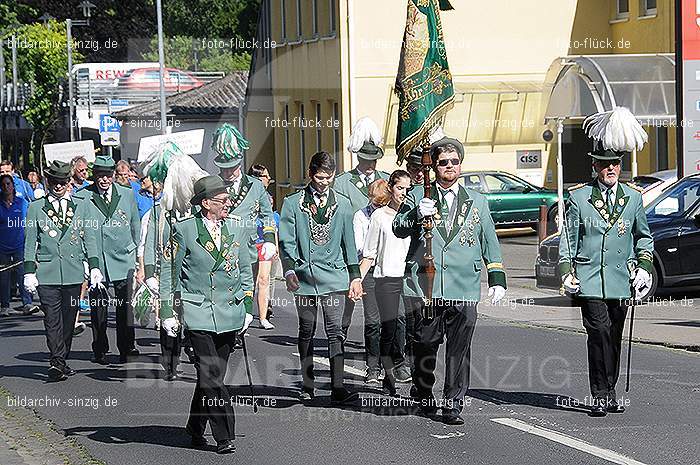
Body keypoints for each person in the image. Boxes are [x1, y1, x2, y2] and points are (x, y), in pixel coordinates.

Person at [393, 135, 507, 425]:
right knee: (425, 342)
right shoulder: (420, 195)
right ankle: (422, 390)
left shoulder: (477, 200)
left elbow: (488, 240)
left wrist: (496, 277)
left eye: (455, 162)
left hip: (464, 285)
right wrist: (416, 215)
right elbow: (398, 228)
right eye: (443, 162)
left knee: (460, 347)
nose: (450, 167)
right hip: (427, 286)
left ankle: (453, 402)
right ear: (435, 166)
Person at [559, 107, 654, 417]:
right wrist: (565, 270)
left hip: (620, 280)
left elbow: (644, 237)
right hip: (590, 278)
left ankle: (610, 389)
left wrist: (644, 267)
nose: (610, 168)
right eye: (604, 164)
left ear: (619, 165)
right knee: (598, 332)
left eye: (614, 163)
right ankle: (600, 393)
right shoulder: (580, 197)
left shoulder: (634, 198)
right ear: (595, 166)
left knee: (613, 335)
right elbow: (569, 238)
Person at [158, 175, 254, 454]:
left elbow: (246, 270)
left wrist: (248, 308)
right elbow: (169, 272)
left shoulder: (236, 227)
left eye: (228, 198)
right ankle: (224, 435)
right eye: (222, 200)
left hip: (229, 312)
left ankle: (194, 426)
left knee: (210, 378)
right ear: (205, 203)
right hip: (198, 311)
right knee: (212, 375)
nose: (228, 203)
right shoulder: (184, 230)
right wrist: (168, 312)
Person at [279, 151, 363, 404]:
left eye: (329, 177)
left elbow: (349, 242)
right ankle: (307, 383)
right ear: (310, 174)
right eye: (319, 177)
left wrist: (355, 277)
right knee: (306, 330)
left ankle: (337, 386)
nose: (324, 182)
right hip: (304, 277)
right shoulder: (292, 203)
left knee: (336, 331)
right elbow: (286, 241)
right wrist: (290, 269)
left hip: (335, 276)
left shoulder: (344, 204)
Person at [74, 155, 141, 365]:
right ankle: (100, 348)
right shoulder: (83, 195)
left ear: (113, 175)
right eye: (100, 175)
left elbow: (135, 224)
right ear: (94, 176)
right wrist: (85, 259)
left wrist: (136, 254)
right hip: (98, 260)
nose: (104, 180)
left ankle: (127, 347)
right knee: (99, 308)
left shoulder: (127, 194)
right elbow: (79, 228)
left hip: (123, 257)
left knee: (125, 306)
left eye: (107, 175)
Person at [23, 161, 84, 381]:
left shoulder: (80, 205)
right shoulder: (36, 207)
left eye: (63, 182)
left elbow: (88, 237)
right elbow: (30, 242)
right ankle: (56, 362)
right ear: (48, 182)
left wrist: (91, 264)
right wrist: (29, 271)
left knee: (68, 321)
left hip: (73, 272)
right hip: (47, 272)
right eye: (54, 182)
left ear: (69, 182)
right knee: (52, 319)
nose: (58, 186)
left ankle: (62, 358)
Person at [333, 118, 390, 340]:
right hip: (353, 248)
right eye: (367, 160)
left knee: (374, 310)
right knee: (350, 295)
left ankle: (376, 346)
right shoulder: (343, 182)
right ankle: (341, 331)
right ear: (357, 156)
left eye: (374, 160)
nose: (371, 164)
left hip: (380, 252)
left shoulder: (386, 180)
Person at [359, 170, 413, 396]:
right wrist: (357, 280)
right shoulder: (379, 216)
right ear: (391, 188)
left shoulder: (413, 215)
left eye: (408, 189)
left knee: (411, 328)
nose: (404, 193)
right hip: (386, 278)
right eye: (400, 188)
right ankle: (388, 374)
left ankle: (406, 371)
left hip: (410, 279)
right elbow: (369, 253)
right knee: (391, 326)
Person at [352, 179, 389, 384]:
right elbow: (360, 247)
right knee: (373, 321)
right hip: (370, 270)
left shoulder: (393, 214)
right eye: (376, 204)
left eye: (383, 204)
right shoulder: (361, 216)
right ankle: (372, 368)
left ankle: (393, 365)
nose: (379, 208)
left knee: (393, 321)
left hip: (391, 272)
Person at [0, 174, 38, 316]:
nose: (6, 187)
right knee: (4, 276)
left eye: (8, 184)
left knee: (23, 273)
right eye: (3, 185)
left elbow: (30, 222)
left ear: (13, 186)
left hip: (20, 244)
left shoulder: (22, 203)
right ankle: (5, 305)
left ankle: (27, 303)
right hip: (2, 246)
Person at [248, 164, 279, 330]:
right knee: (248, 281)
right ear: (258, 178)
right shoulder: (247, 193)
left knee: (264, 279)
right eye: (266, 177)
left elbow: (271, 221)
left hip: (264, 241)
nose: (269, 180)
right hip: (249, 242)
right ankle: (243, 315)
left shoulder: (267, 196)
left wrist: (274, 245)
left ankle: (263, 317)